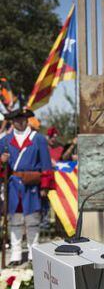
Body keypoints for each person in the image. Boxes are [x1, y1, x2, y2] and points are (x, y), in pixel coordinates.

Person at [0, 108, 55, 266]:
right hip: (13, 186)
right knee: (15, 220)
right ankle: (16, 254)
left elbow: (45, 164)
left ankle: (33, 252)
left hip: (31, 185)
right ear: (12, 121)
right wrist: (2, 161)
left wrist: (45, 186)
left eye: (22, 119)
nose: (20, 122)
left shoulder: (38, 139)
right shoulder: (4, 141)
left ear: (27, 120)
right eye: (16, 120)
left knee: (32, 220)